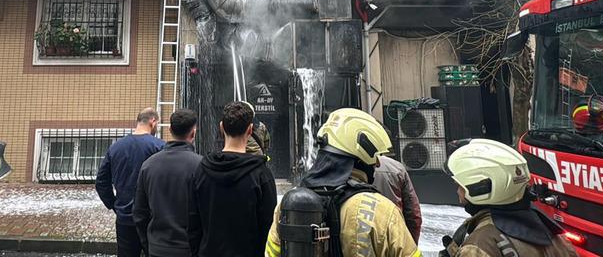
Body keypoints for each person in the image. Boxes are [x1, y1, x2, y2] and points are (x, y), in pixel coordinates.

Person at [266, 108, 421, 257]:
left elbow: (271, 253)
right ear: (361, 153)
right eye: (375, 157)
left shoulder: (288, 205)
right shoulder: (383, 211)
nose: (378, 164)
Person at [441, 139, 577, 257]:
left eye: (460, 186)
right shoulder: (556, 236)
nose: (458, 192)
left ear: (481, 189)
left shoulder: (479, 246)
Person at [189, 101, 277, 257]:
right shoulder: (261, 175)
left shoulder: (201, 170)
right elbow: (268, 227)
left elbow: (193, 223)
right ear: (250, 130)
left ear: (221, 127)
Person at [96, 108, 165, 257]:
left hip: (125, 218)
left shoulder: (116, 147)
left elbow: (101, 182)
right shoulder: (159, 147)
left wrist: (113, 204)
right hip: (152, 218)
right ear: (153, 122)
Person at [133, 109, 202, 257]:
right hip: (189, 249)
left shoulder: (148, 165)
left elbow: (139, 212)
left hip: (158, 247)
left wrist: (148, 244)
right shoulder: (201, 166)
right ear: (193, 133)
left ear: (170, 130)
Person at [374, 154, 423, 243]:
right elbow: (413, 212)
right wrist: (411, 244)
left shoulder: (346, 168)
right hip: (394, 236)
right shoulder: (396, 167)